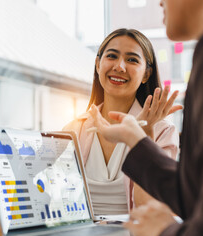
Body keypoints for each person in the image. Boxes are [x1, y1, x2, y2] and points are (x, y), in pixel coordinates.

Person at [90, 0, 203, 236]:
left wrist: (162, 232)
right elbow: (198, 195)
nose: (160, 2)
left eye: (133, 59)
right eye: (111, 56)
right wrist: (138, 139)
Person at [63, 28, 182, 215]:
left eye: (132, 59)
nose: (119, 66)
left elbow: (150, 211)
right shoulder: (73, 129)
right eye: (111, 56)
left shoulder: (162, 132)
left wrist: (144, 137)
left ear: (146, 74)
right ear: (97, 64)